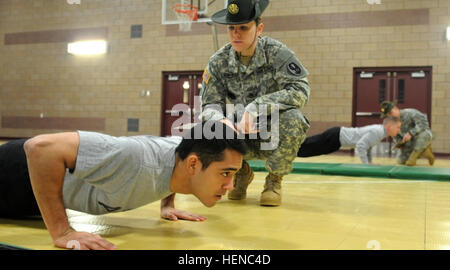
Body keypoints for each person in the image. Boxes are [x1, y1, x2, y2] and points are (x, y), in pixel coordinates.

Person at [0, 121, 246, 250]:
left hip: (37, 196)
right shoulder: (132, 157)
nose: (230, 185)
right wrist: (62, 231)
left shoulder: (184, 157)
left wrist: (167, 203)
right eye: (226, 173)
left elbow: (179, 146)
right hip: (17, 174)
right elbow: (40, 148)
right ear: (193, 165)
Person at [200, 0, 310, 206]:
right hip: (239, 134)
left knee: (294, 118)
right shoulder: (218, 61)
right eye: (231, 28)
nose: (236, 34)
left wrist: (256, 107)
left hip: (273, 133)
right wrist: (221, 121)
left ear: (258, 28)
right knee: (207, 127)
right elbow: (208, 105)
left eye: (243, 27)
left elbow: (301, 90)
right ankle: (240, 173)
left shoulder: (277, 53)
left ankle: (274, 181)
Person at [297, 116, 401, 164]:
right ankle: (288, 147)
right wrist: (366, 165)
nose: (399, 130)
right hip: (336, 136)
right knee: (310, 145)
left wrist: (369, 163)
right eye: (398, 127)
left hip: (337, 140)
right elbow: (361, 146)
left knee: (312, 149)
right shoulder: (377, 132)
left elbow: (367, 147)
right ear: (389, 126)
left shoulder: (381, 132)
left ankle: (292, 151)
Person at [380, 101, 434, 166]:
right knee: (400, 161)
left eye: (391, 113)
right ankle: (425, 152)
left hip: (422, 135)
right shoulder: (393, 122)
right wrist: (399, 142)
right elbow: (396, 137)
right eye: (387, 115)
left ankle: (413, 157)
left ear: (396, 108)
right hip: (409, 142)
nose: (390, 116)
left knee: (424, 135)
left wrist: (411, 133)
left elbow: (424, 125)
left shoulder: (411, 113)